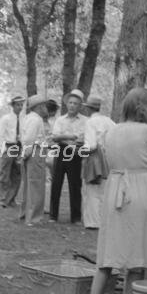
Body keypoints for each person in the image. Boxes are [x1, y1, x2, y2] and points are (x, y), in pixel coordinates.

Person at [80, 88, 147, 294]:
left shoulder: (112, 131)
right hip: (140, 191)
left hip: (114, 192)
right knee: (137, 258)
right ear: (142, 108)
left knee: (107, 254)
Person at [49, 89, 87, 224]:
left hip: (75, 154)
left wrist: (63, 137)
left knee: (75, 184)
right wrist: (69, 137)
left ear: (80, 106)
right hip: (61, 152)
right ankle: (53, 215)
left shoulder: (85, 121)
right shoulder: (60, 120)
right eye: (70, 102)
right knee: (56, 183)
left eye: (75, 103)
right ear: (66, 104)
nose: (72, 105)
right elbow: (55, 137)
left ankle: (76, 217)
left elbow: (82, 139)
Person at [81, 96, 115, 229]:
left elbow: (91, 145)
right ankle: (104, 220)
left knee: (92, 189)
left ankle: (93, 222)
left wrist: (80, 151)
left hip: (95, 158)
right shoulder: (110, 121)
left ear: (88, 108)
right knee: (104, 190)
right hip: (108, 158)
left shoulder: (90, 122)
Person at [18, 94, 49, 226]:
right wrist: (26, 154)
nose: (46, 108)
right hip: (34, 153)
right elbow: (29, 139)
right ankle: (33, 217)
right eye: (44, 105)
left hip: (32, 153)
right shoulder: (35, 120)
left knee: (30, 184)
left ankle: (26, 213)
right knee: (35, 184)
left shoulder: (30, 118)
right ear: (39, 106)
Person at [0, 96, 24, 208]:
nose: (20, 107)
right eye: (18, 105)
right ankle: (2, 199)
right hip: (9, 146)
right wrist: (3, 149)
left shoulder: (23, 119)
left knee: (17, 174)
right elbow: (0, 135)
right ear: (13, 106)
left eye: (21, 105)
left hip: (18, 147)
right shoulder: (6, 118)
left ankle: (11, 198)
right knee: (5, 174)